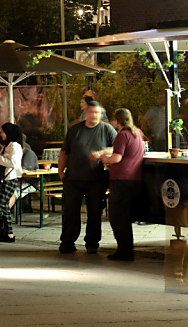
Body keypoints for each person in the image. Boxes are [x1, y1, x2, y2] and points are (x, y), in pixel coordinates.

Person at [58, 99, 117, 254]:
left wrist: (101, 152)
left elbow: (117, 148)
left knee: (95, 212)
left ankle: (92, 243)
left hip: (97, 179)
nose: (94, 116)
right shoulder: (75, 130)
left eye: (98, 113)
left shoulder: (107, 129)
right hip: (73, 178)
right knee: (71, 211)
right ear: (86, 113)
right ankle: (67, 242)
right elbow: (65, 151)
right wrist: (60, 171)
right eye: (91, 112)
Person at [101, 108, 146, 261]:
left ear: (117, 120)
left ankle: (124, 251)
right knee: (125, 217)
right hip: (135, 179)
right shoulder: (137, 132)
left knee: (118, 217)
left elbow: (116, 158)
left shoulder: (122, 135)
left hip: (121, 180)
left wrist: (104, 158)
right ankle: (127, 249)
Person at [0, 122, 24, 243]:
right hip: (4, 177)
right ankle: (6, 233)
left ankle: (8, 233)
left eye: (3, 131)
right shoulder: (7, 145)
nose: (1, 134)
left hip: (10, 178)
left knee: (0, 206)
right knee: (1, 206)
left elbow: (14, 163)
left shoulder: (14, 145)